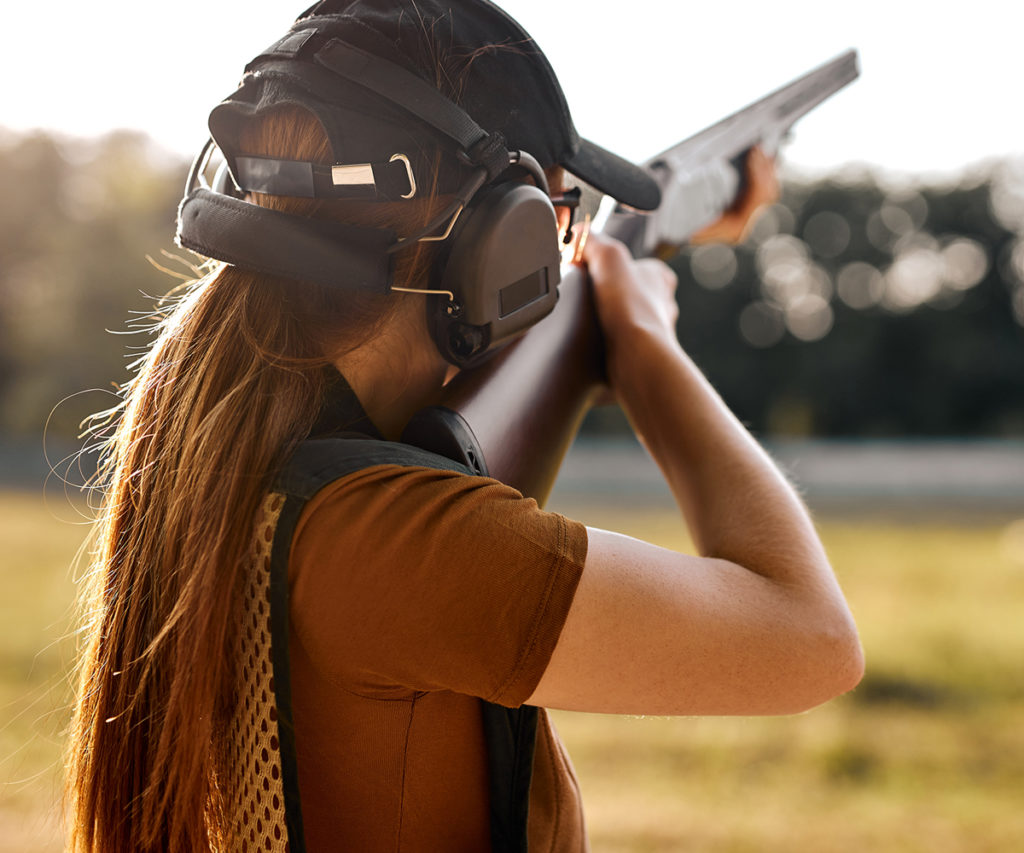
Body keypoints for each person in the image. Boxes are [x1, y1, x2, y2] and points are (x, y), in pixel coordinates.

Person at [65, 1, 863, 851]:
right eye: (557, 222)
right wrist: (647, 350)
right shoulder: (395, 544)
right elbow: (811, 639)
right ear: (502, 241)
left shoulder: (231, 464)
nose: (560, 257)